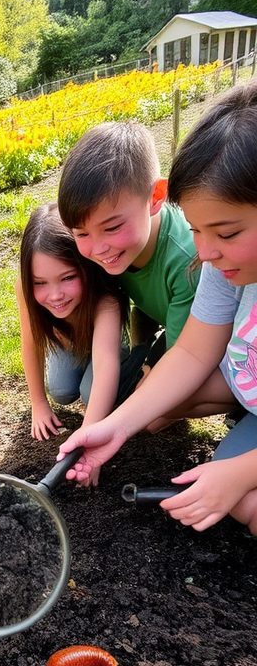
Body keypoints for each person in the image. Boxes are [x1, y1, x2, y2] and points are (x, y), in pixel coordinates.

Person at [58, 81, 257, 535]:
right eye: (195, 230)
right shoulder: (218, 265)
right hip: (247, 388)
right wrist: (117, 427)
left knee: (240, 496)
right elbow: (190, 353)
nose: (203, 253)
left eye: (225, 234)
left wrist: (240, 473)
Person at [17, 204, 144, 484]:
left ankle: (132, 362)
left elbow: (105, 363)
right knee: (61, 391)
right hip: (70, 345)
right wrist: (38, 403)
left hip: (106, 349)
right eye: (40, 282)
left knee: (91, 394)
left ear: (85, 268)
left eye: (68, 278)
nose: (55, 294)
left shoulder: (105, 297)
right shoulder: (23, 287)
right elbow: (31, 343)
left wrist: (89, 442)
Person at [57, 120, 199, 362]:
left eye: (112, 228)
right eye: (81, 233)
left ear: (155, 197)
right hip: (154, 313)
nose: (99, 248)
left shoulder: (187, 261)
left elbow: (181, 361)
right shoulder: (117, 246)